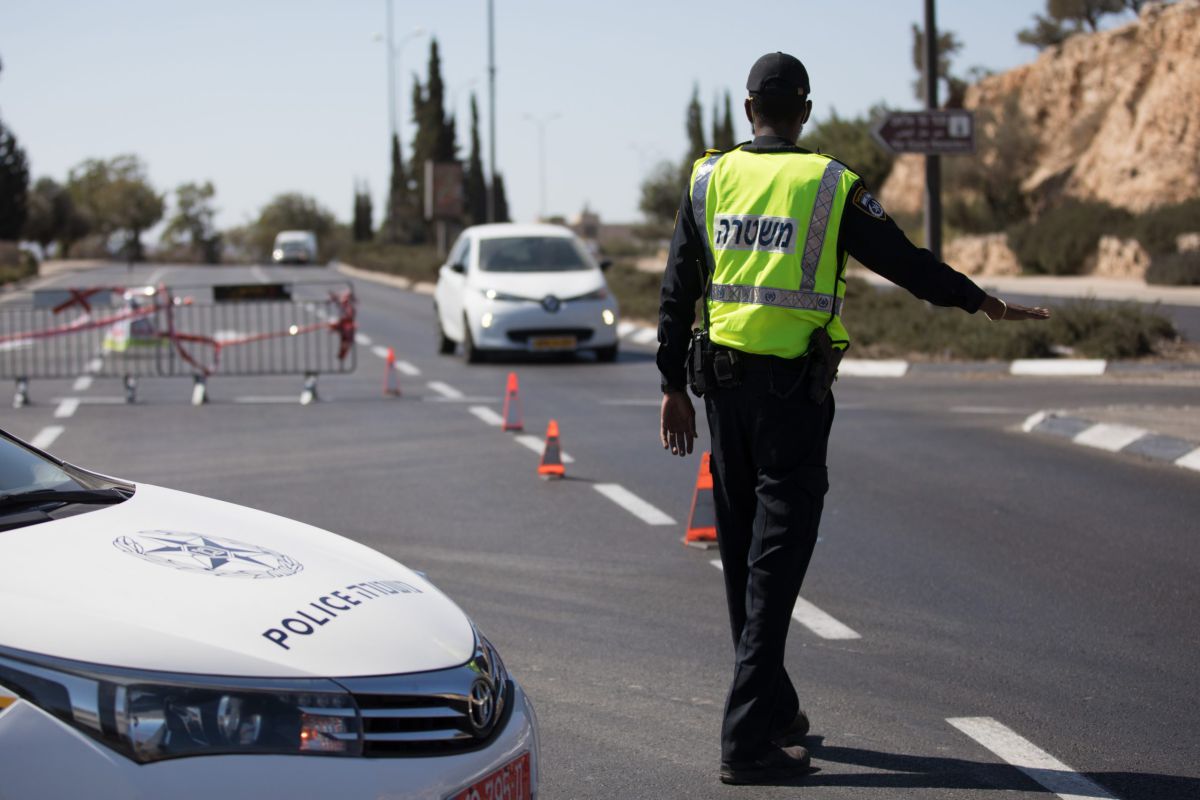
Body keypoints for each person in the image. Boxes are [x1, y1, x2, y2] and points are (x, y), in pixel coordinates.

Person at [656, 51, 1050, 786]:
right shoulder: (831, 184)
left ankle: (772, 706)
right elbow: (906, 264)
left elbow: (679, 284)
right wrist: (982, 300)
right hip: (792, 403)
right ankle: (746, 742)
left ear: (749, 111)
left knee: (746, 558)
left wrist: (670, 383)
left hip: (724, 397)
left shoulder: (709, 177)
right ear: (804, 113)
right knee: (776, 563)